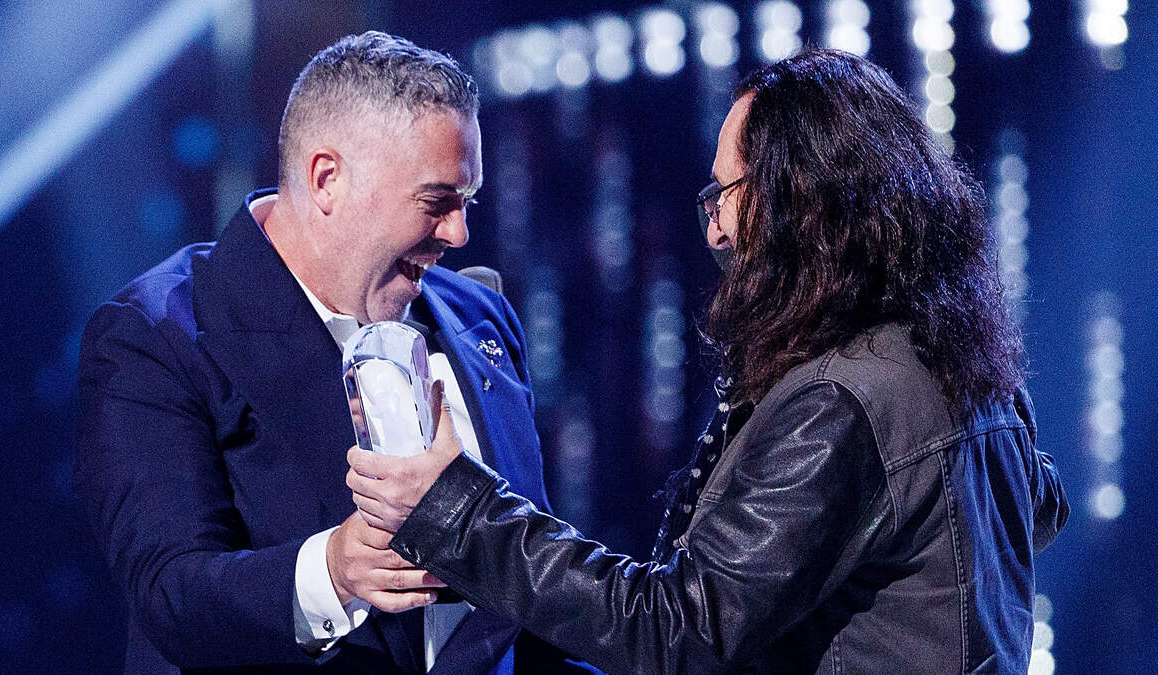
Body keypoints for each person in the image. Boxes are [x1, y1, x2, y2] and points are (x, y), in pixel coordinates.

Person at [346, 49, 1069, 674]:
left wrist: (460, 506)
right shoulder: (955, 362)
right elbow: (1038, 512)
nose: (716, 230)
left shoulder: (840, 402)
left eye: (727, 194)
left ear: (800, 196)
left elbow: (675, 633)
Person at [75, 32, 590, 673]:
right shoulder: (156, 337)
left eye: (469, 201)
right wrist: (335, 572)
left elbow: (528, 596)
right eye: (437, 201)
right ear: (327, 180)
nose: (460, 233)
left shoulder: (480, 316)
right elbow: (171, 594)